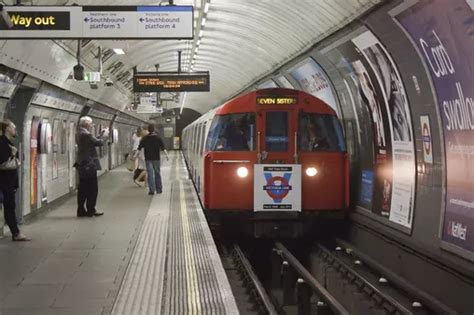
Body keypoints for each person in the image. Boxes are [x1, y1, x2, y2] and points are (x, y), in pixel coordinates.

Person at [0, 119, 30, 241]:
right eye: (13, 127)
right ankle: (16, 233)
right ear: (7, 128)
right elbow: (3, 163)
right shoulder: (3, 143)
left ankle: (15, 232)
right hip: (5, 182)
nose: (15, 130)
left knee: (9, 207)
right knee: (9, 207)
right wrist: (15, 158)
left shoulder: (9, 143)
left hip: (9, 182)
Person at [75, 116, 108, 217]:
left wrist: (100, 134)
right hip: (88, 165)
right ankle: (91, 210)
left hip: (81, 163)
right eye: (91, 123)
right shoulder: (86, 134)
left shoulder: (79, 133)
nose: (92, 125)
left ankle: (81, 210)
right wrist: (105, 136)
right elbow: (99, 143)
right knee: (92, 189)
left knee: (83, 188)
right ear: (86, 124)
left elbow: (92, 142)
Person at [136, 124, 169, 195]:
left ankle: (151, 190)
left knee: (150, 174)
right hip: (156, 159)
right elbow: (163, 148)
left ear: (148, 130)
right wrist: (167, 155)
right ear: (154, 130)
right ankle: (159, 189)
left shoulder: (145, 138)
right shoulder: (158, 138)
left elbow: (139, 148)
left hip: (148, 159)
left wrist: (135, 156)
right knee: (157, 173)